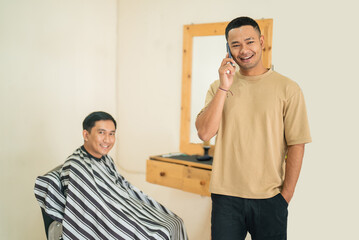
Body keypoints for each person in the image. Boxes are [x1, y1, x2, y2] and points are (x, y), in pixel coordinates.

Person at [196, 17, 311, 240]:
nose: (244, 50)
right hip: (226, 198)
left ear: (261, 41)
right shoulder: (218, 86)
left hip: (270, 198)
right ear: (228, 49)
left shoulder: (288, 88)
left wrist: (285, 196)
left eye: (249, 42)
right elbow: (205, 133)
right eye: (235, 45)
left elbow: (297, 143)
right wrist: (223, 87)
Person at [34, 111, 188, 240]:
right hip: (105, 221)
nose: (107, 140)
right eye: (101, 133)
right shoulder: (76, 166)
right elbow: (92, 209)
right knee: (156, 235)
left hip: (118, 211)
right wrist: (130, 223)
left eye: (111, 134)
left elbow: (122, 190)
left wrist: (139, 210)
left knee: (175, 222)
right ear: (86, 134)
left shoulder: (106, 159)